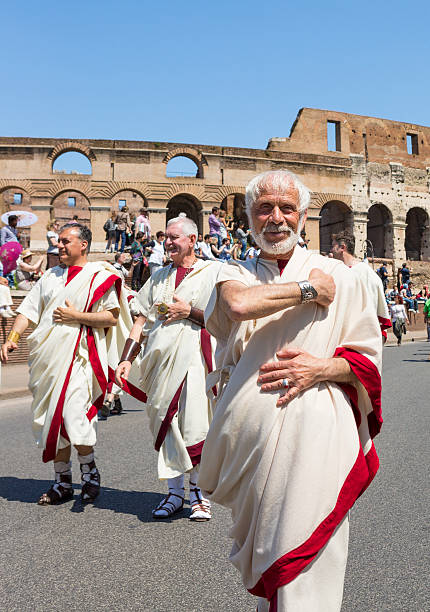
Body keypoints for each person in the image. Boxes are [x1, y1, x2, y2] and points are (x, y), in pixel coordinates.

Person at [198, 170, 383, 612]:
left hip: (319, 438)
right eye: (264, 208)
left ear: (303, 216)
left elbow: (368, 361)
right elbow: (240, 305)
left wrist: (322, 367)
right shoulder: (232, 271)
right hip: (250, 441)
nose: (276, 218)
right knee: (270, 556)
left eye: (286, 208)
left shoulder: (344, 276)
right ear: (248, 217)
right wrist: (309, 290)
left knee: (309, 562)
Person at [0, 223, 136, 505]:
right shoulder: (49, 276)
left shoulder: (98, 276)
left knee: (74, 416)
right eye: (58, 242)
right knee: (53, 420)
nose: (59, 246)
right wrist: (12, 337)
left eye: (65, 241)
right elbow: (28, 311)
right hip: (47, 361)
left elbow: (111, 318)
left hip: (80, 360)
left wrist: (78, 317)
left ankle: (89, 474)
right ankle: (62, 482)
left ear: (83, 244)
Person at [115, 214, 221, 522]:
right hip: (160, 364)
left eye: (175, 237)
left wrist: (190, 311)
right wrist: (126, 358)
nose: (168, 242)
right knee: (164, 421)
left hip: (196, 362)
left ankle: (199, 495)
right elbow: (140, 319)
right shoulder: (159, 276)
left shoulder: (213, 272)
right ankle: (175, 494)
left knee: (194, 425)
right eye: (167, 238)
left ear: (192, 240)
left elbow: (227, 317)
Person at [331, 230, 391, 341]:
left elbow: (375, 308)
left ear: (342, 248)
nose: (331, 251)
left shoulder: (367, 275)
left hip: (362, 335)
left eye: (333, 246)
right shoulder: (335, 271)